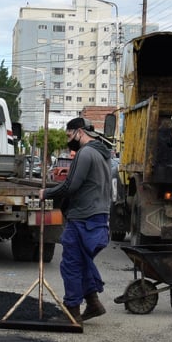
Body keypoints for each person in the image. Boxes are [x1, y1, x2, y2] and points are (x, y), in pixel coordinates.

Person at [44, 117, 113, 321]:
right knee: (83, 262)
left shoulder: (85, 153)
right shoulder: (103, 154)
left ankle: (71, 311)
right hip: (99, 217)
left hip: (83, 218)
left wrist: (45, 193)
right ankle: (93, 303)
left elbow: (70, 186)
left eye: (69, 135)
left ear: (79, 132)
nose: (68, 140)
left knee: (72, 264)